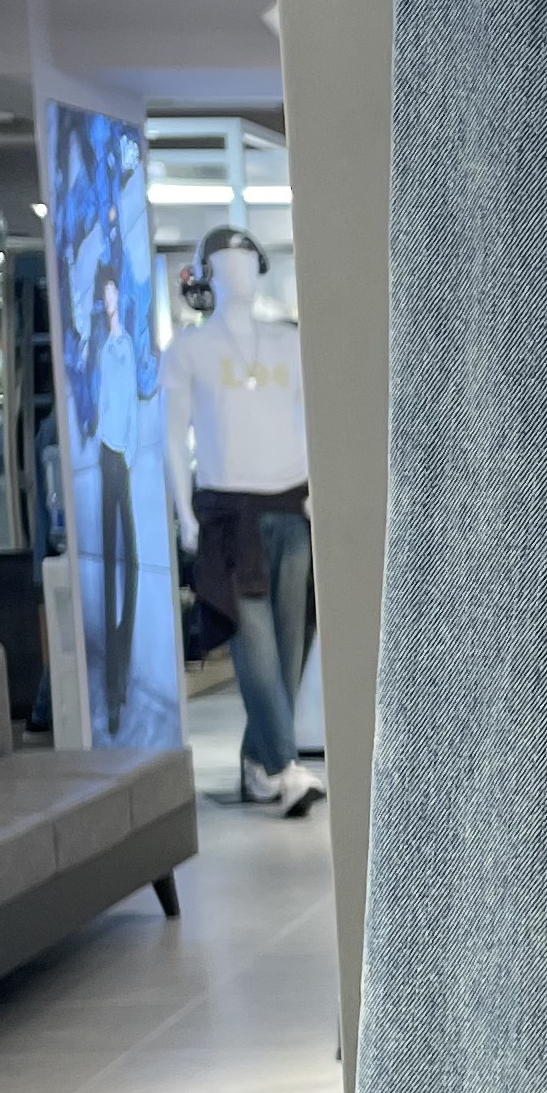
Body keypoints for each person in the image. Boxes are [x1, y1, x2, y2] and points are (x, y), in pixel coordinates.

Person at [160, 227, 323, 812]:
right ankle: (285, 766)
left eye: (245, 263)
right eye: (224, 265)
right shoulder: (188, 351)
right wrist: (184, 512)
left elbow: (310, 421)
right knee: (254, 644)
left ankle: (258, 764)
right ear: (205, 278)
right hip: (229, 514)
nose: (238, 274)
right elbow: (171, 436)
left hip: (292, 504)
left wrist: (319, 494)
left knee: (292, 642)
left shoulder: (288, 343)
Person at [91, 261, 138, 737]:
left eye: (113, 293)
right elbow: (103, 401)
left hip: (123, 454)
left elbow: (132, 401)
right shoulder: (104, 348)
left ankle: (121, 667)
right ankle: (113, 689)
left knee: (133, 564)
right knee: (111, 565)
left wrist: (132, 450)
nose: (110, 301)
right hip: (109, 452)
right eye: (104, 294)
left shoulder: (126, 345)